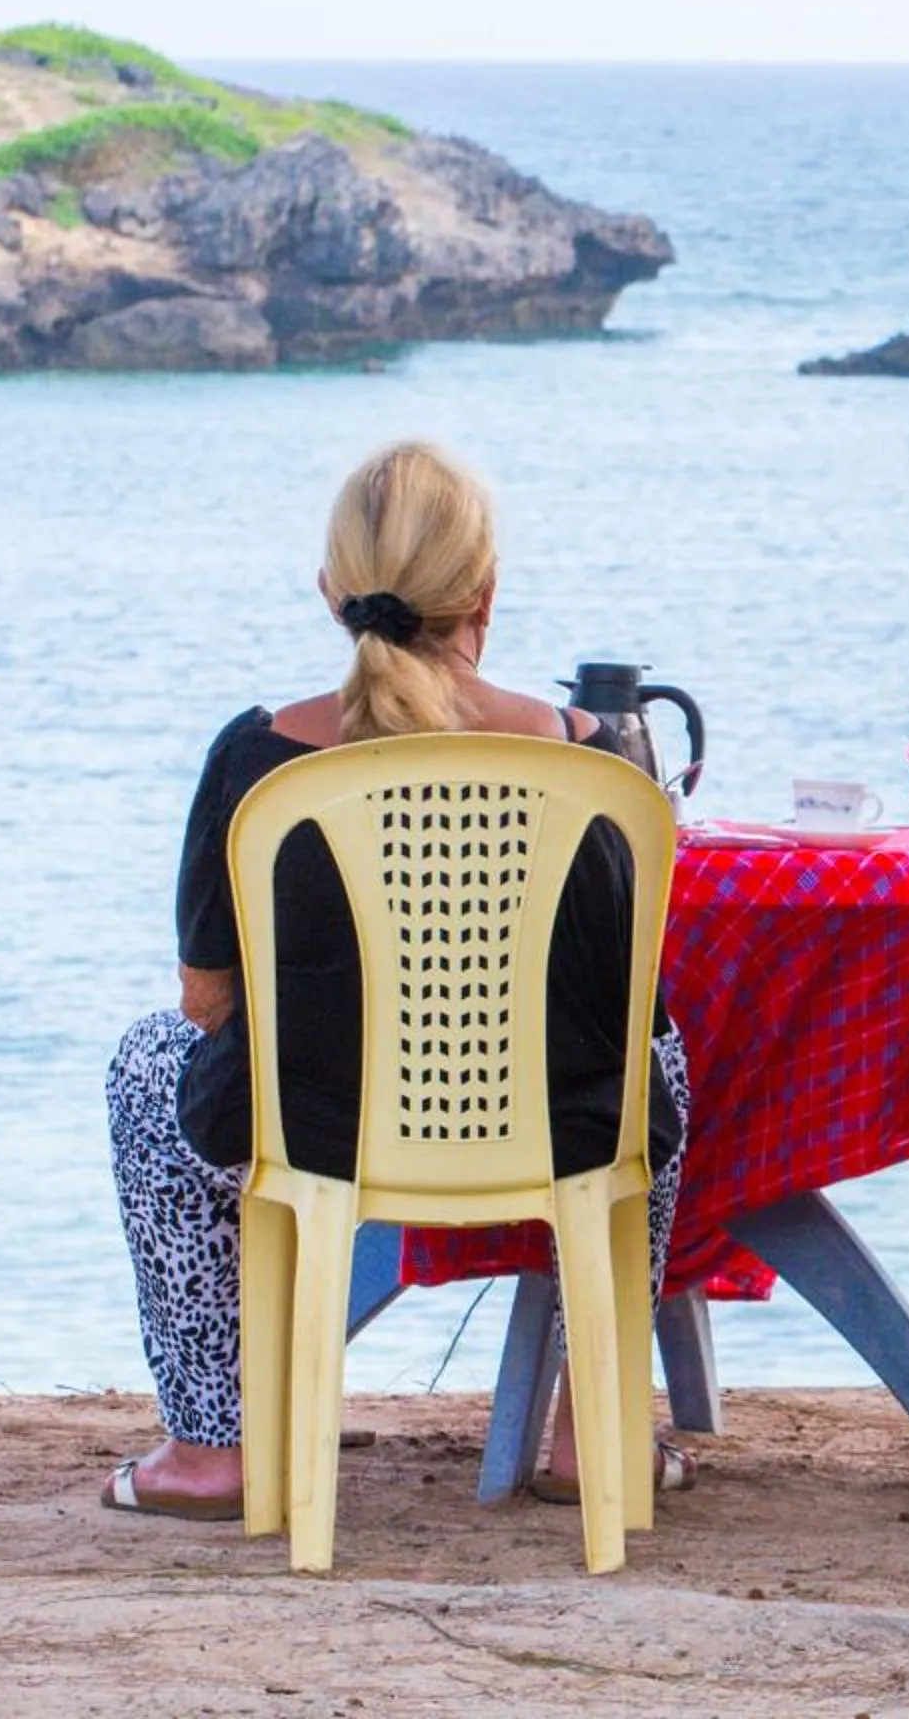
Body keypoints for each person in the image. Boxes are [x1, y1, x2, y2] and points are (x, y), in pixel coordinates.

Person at [102, 440, 692, 1519]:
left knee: (149, 1061)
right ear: (485, 594)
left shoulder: (255, 756)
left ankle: (211, 1444)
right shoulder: (600, 756)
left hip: (318, 1134)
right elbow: (631, 1003)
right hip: (553, 1134)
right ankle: (587, 1431)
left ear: (332, 593)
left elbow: (204, 1000)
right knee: (661, 1060)